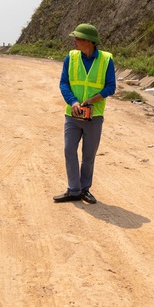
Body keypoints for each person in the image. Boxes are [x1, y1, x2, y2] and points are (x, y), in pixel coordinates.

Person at [54, 23, 116, 204]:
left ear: (89, 41)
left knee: (88, 155)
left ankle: (84, 189)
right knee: (69, 150)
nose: (74, 41)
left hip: (94, 116)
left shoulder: (105, 60)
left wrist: (92, 100)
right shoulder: (71, 58)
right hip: (72, 115)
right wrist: (73, 101)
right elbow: (63, 83)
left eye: (78, 38)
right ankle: (73, 190)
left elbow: (111, 87)